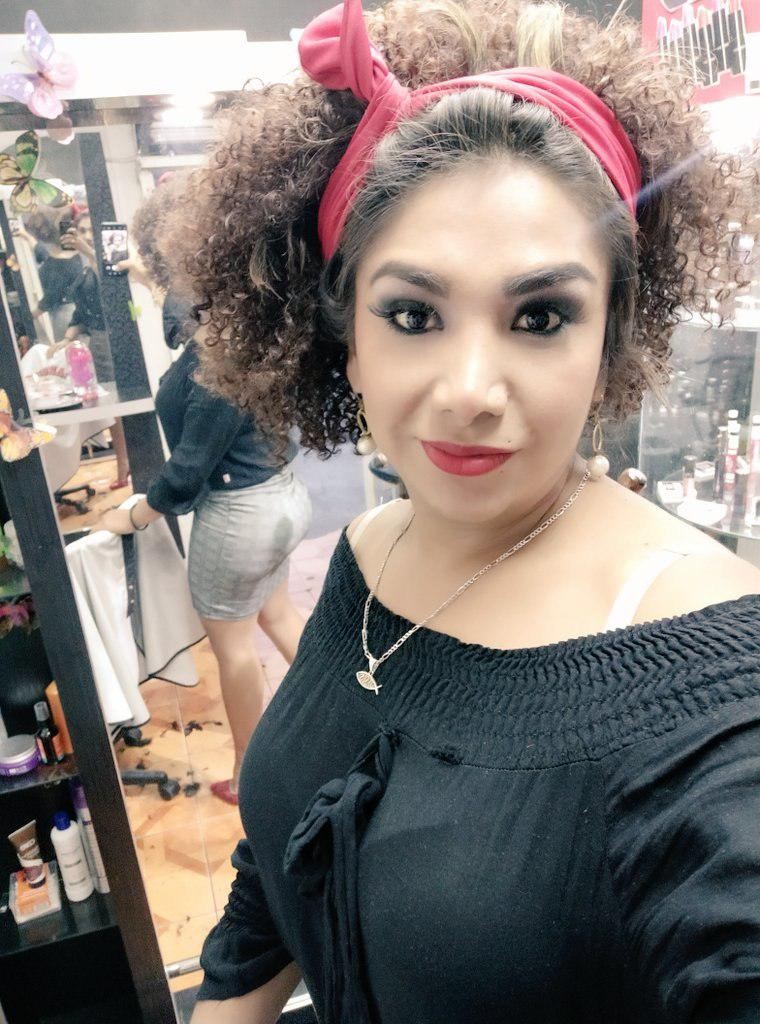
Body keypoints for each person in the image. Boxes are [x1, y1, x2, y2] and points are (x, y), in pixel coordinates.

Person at [162, 0, 760, 1020]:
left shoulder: (713, 693)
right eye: (413, 314)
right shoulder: (367, 552)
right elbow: (282, 867)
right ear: (346, 338)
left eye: (540, 316)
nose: (470, 389)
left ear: (609, 339)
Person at [99, 181, 312, 805]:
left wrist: (137, 513)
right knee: (277, 615)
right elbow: (183, 322)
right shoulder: (241, 313)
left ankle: (249, 776)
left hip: (241, 514)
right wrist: (152, 277)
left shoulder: (216, 355)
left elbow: (189, 470)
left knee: (234, 649)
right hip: (280, 496)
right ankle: (341, 716)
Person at [13, 209, 83, 343]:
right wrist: (27, 237)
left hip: (64, 316)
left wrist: (28, 317)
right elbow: (45, 256)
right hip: (72, 312)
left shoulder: (59, 262)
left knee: (64, 351)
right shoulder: (70, 255)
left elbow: (50, 298)